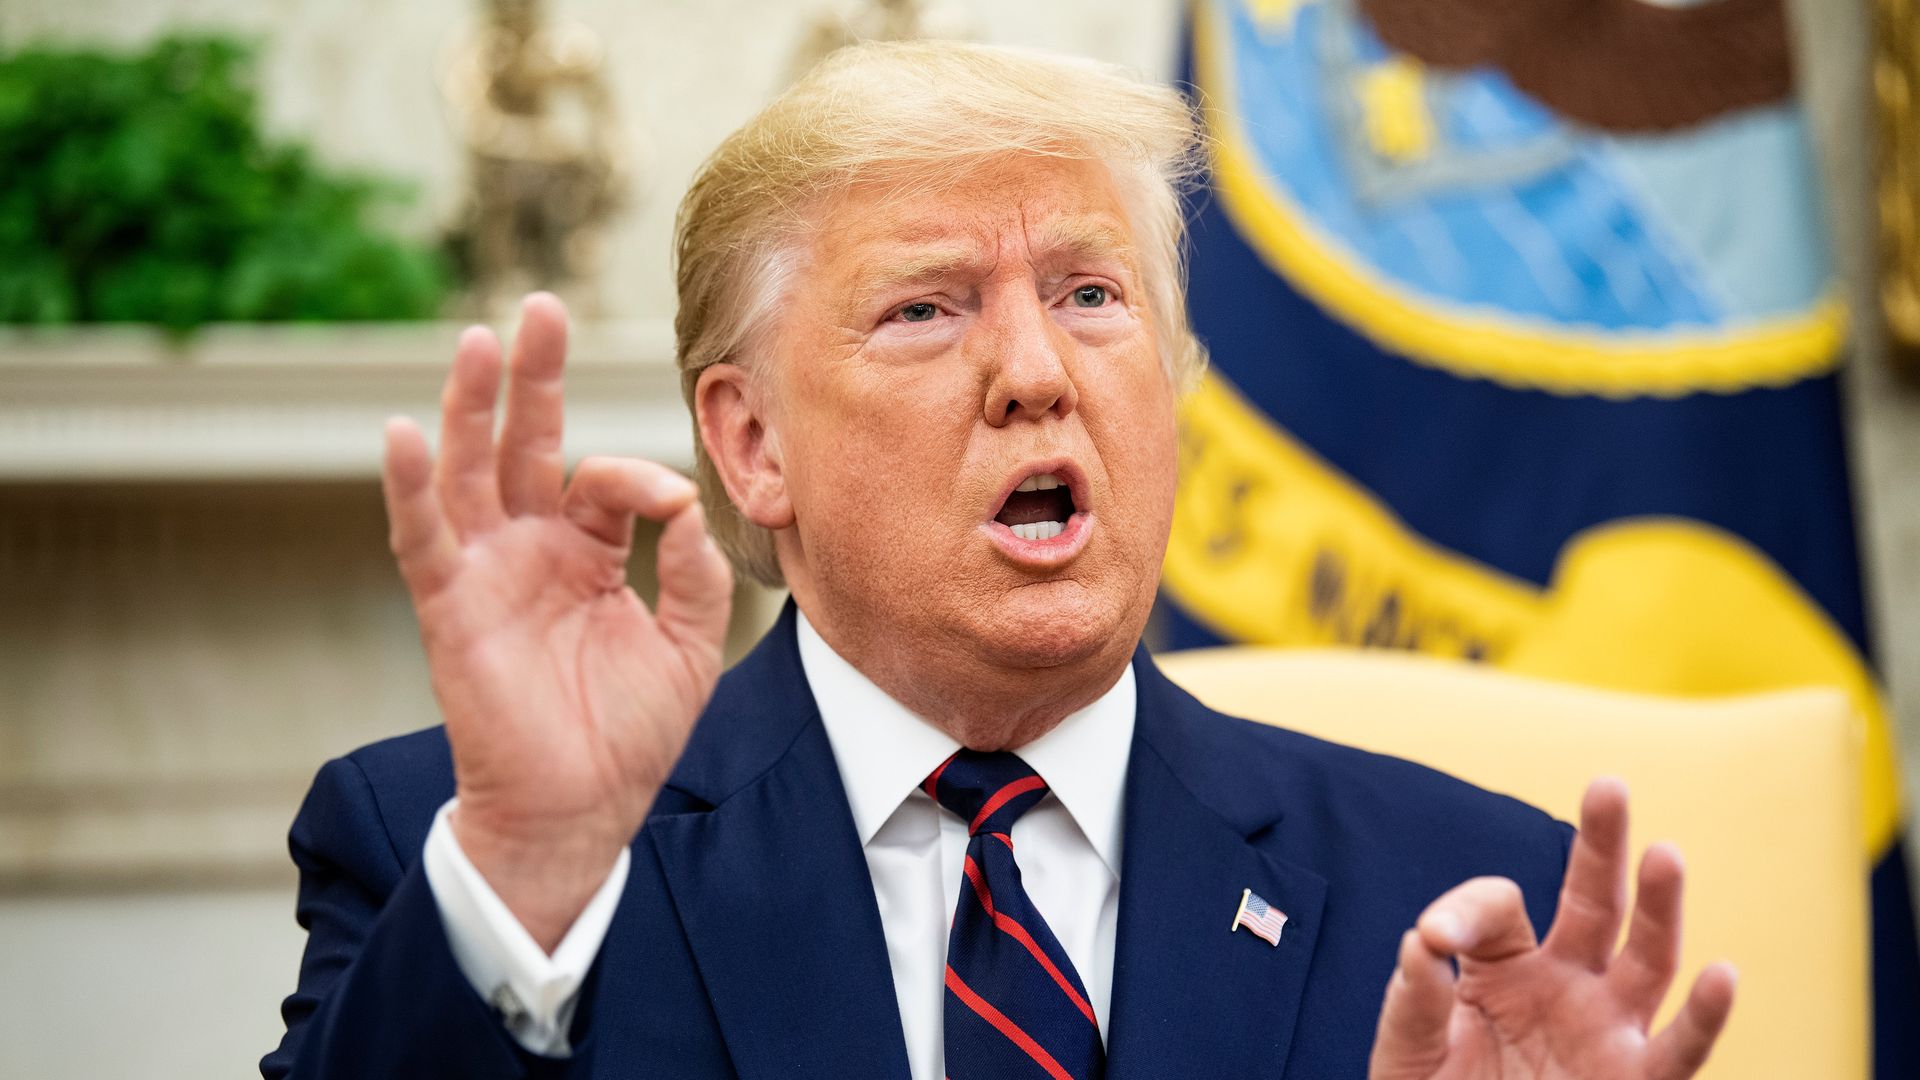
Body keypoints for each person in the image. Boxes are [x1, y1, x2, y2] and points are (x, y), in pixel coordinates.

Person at [263, 40, 1735, 1080]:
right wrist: (521, 878)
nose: (1037, 371)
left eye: (1092, 295)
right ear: (752, 442)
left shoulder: (1476, 908)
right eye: (926, 308)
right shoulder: (464, 864)